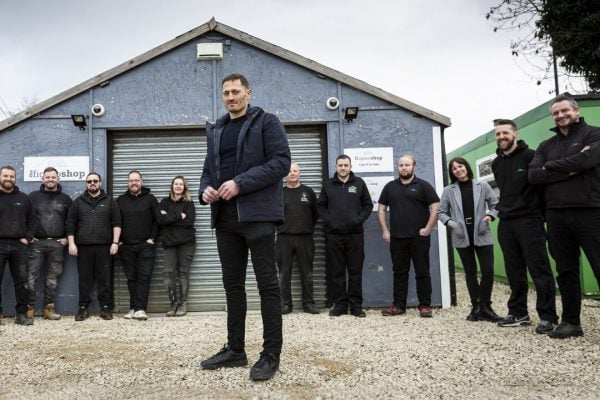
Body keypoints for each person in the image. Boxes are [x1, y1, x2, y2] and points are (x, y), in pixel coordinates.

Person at [199, 73, 290, 381]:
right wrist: (205, 191)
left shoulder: (267, 122)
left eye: (236, 91)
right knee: (233, 287)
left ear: (249, 93)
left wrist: (240, 183)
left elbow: (281, 163)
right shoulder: (217, 129)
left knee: (268, 287)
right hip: (225, 220)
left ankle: (270, 355)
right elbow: (207, 171)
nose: (230, 97)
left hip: (259, 217)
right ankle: (235, 350)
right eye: (226, 92)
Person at [528, 94, 600, 339]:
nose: (560, 116)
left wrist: (551, 166)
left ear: (576, 111)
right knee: (565, 270)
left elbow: (590, 159)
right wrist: (571, 167)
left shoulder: (593, 134)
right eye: (556, 113)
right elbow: (534, 176)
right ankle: (571, 322)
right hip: (556, 214)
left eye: (564, 111)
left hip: (590, 211)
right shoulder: (546, 145)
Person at [492, 119, 558, 334]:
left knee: (539, 271)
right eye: (498, 134)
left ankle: (548, 316)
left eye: (505, 133)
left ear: (515, 133)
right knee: (514, 271)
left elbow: (542, 189)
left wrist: (540, 216)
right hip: (506, 223)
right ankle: (518, 312)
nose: (501, 137)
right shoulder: (496, 163)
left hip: (529, 221)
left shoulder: (530, 156)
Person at [438, 157, 502, 322]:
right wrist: (451, 223)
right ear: (452, 173)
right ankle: (476, 306)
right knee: (470, 272)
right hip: (461, 234)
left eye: (460, 166)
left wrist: (489, 217)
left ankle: (486, 306)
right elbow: (441, 212)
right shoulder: (449, 190)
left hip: (481, 232)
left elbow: (495, 205)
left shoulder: (482, 186)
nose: (458, 170)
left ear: (466, 167)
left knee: (487, 271)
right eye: (454, 169)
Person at [377, 155, 439, 318]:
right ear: (397, 167)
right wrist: (385, 230)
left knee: (422, 271)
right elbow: (381, 209)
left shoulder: (423, 186)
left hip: (419, 238)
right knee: (399, 272)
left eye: (407, 165)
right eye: (401, 165)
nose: (404, 167)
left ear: (414, 167)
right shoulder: (390, 187)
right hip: (397, 238)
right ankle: (398, 305)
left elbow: (435, 207)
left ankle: (424, 305)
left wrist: (428, 228)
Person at [317, 154, 372, 318]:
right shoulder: (328, 184)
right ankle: (340, 305)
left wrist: (358, 220)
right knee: (337, 272)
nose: (343, 168)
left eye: (346, 165)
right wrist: (330, 221)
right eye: (340, 165)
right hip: (334, 236)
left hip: (355, 235)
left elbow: (368, 205)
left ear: (350, 166)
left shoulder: (359, 183)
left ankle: (356, 306)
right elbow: (321, 206)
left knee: (355, 271)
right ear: (336, 166)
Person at [66, 172, 121, 321]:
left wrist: (115, 242)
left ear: (100, 183)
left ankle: (105, 308)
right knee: (84, 279)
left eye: (95, 181)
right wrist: (72, 243)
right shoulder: (78, 202)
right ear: (86, 184)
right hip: (83, 248)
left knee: (104, 278)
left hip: (104, 247)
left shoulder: (110, 201)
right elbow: (70, 225)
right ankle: (83, 308)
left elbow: (116, 223)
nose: (92, 183)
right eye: (89, 181)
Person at [27, 166, 73, 320]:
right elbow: (25, 216)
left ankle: (49, 309)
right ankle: (29, 308)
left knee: (52, 278)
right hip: (36, 243)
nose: (50, 180)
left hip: (57, 244)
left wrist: (67, 239)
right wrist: (29, 236)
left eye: (53, 177)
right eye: (48, 177)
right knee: (31, 275)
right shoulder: (32, 197)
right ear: (43, 179)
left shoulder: (66, 199)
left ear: (58, 179)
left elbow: (72, 221)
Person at [277, 162, 319, 315]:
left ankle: (308, 303)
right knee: (283, 273)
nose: (292, 173)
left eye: (295, 171)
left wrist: (306, 227)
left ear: (299, 173)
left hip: (305, 238)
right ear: (285, 174)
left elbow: (315, 214)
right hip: (284, 239)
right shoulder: (279, 193)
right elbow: (274, 214)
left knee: (307, 273)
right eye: (289, 171)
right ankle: (285, 304)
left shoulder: (308, 192)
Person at [116, 170, 159, 321]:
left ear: (142, 182)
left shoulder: (150, 199)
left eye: (136, 180)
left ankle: (140, 309)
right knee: (131, 278)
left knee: (144, 277)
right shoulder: (120, 200)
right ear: (128, 183)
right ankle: (133, 307)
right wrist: (119, 241)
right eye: (131, 181)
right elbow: (116, 222)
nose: (134, 183)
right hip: (126, 246)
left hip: (145, 246)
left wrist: (152, 238)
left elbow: (157, 220)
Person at [0, 165, 35, 325]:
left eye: (11, 176)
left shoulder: (23, 198)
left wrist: (27, 238)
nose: (8, 179)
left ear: (15, 178)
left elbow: (32, 220)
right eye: (5, 176)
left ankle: (21, 314)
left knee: (21, 281)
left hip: (19, 246)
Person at [156, 175, 196, 318]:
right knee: (168, 274)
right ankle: (173, 304)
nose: (178, 186)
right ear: (172, 186)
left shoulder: (189, 204)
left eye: (181, 184)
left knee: (183, 273)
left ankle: (182, 304)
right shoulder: (164, 202)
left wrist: (169, 218)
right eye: (176, 184)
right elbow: (160, 220)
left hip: (187, 243)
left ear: (184, 187)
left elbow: (189, 222)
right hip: (169, 244)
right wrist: (179, 216)